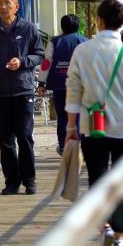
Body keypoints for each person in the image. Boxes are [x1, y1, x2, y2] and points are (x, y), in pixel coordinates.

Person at [65, 0, 123, 246]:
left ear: (98, 21)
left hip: (94, 126)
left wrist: (70, 126)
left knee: (97, 178)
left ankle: (104, 228)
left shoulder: (82, 51)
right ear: (122, 23)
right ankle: (121, 235)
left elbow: (73, 90)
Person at [0, 0, 45, 195]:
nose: (3, 6)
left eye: (7, 3)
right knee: (5, 140)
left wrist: (23, 62)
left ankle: (29, 180)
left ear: (16, 6)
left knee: (24, 136)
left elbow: (39, 54)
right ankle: (12, 182)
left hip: (22, 91)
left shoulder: (29, 28)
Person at [38, 14, 87, 155]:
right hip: (80, 85)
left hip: (59, 85)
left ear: (62, 27)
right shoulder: (84, 41)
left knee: (62, 117)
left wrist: (42, 83)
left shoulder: (54, 42)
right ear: (77, 26)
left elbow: (46, 63)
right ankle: (79, 144)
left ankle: (63, 145)